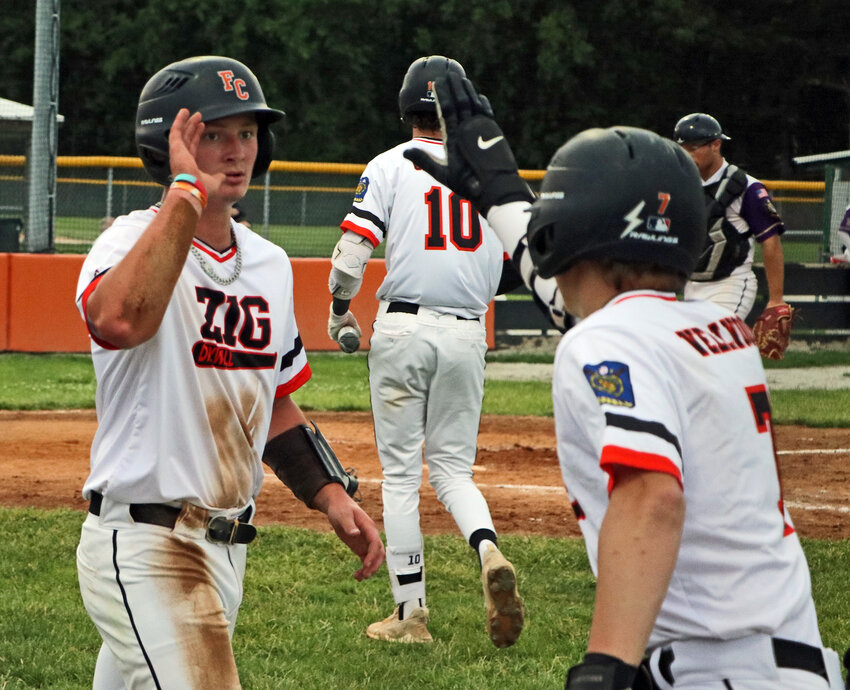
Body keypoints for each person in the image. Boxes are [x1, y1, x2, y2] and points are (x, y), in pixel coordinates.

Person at [404, 72, 845, 689]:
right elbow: (587, 304)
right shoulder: (721, 335)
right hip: (793, 661)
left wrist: (607, 665)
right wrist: (503, 196)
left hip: (708, 671)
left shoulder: (605, 339)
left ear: (575, 228)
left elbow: (651, 497)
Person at [74, 55, 384, 689]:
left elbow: (269, 403)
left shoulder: (269, 265)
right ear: (170, 142)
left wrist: (330, 495)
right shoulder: (125, 242)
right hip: (145, 540)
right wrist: (186, 196)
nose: (235, 149)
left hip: (226, 547)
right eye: (212, 133)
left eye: (247, 133)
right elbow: (118, 322)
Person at [325, 55, 554, 648]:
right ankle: (488, 550)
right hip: (466, 332)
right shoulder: (494, 173)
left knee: (401, 478)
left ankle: (410, 615)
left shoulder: (390, 165)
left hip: (403, 327)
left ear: (406, 111)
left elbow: (352, 255)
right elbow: (524, 266)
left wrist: (338, 306)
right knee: (452, 471)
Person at [673, 112, 790, 319]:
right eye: (682, 149)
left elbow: (770, 240)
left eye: (693, 148)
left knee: (710, 340)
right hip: (691, 285)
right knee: (689, 348)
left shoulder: (746, 187)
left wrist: (776, 299)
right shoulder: (681, 184)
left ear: (715, 145)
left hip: (730, 284)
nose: (687, 155)